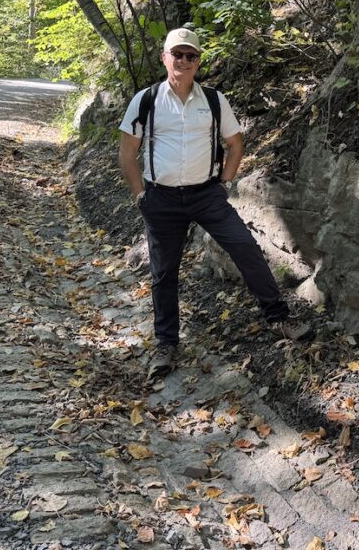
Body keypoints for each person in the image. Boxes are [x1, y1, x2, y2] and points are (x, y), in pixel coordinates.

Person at [118, 27, 314, 380]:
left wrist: (224, 181)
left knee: (246, 248)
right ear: (165, 58)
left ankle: (279, 318)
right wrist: (140, 195)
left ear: (198, 62)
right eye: (177, 54)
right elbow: (127, 153)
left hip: (206, 194)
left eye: (190, 55)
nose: (183, 61)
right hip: (160, 198)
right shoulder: (145, 100)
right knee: (163, 274)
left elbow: (236, 144)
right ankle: (166, 344)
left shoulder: (212, 100)